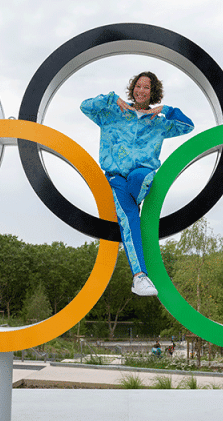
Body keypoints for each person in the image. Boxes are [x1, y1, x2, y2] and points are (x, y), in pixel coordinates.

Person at [80, 71, 194, 296]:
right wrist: (112, 98)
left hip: (141, 176)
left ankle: (134, 200)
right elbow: (85, 106)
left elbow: (188, 126)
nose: (141, 91)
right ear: (133, 88)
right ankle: (139, 277)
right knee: (130, 220)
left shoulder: (158, 123)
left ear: (153, 93)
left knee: (141, 177)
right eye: (138, 86)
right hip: (116, 178)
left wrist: (165, 110)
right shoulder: (113, 112)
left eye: (147, 88)